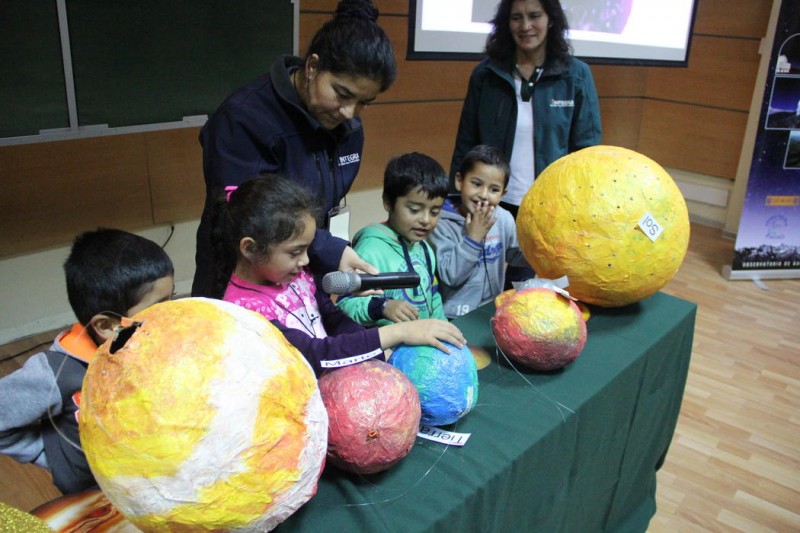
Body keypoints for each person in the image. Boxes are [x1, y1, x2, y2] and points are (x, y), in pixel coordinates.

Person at [193, 0, 397, 297]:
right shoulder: (244, 118)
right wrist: (328, 249)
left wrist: (322, 251)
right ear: (312, 67)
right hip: (243, 275)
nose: (350, 112)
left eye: (365, 102)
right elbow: (249, 217)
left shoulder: (345, 123)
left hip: (300, 264)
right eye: (342, 94)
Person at [214, 175, 465, 376]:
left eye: (307, 248)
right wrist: (398, 333)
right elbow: (317, 355)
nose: (306, 260)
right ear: (249, 248)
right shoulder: (243, 314)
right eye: (295, 252)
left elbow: (333, 318)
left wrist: (376, 353)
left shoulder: (293, 275)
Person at [0, 229, 175, 495]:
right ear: (107, 327)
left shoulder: (153, 345)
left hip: (150, 484)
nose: (173, 315)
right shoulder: (56, 373)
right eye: (160, 307)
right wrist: (55, 458)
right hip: (93, 496)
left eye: (173, 298)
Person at [450, 0, 602, 218]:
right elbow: (466, 142)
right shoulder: (486, 75)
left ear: (551, 20)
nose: (525, 26)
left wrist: (583, 205)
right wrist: (454, 202)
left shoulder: (577, 76)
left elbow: (587, 152)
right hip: (492, 203)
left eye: (535, 16)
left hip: (552, 205)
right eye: (516, 17)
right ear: (506, 22)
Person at [336, 153, 449, 326]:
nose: (426, 220)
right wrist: (382, 307)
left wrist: (444, 329)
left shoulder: (425, 248)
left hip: (422, 346)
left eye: (434, 212)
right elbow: (345, 306)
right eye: (414, 209)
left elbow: (433, 296)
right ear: (388, 202)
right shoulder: (369, 250)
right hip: (387, 350)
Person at [429, 145, 527, 318]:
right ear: (459, 181)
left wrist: (540, 251)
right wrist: (473, 238)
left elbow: (515, 256)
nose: (483, 195)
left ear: (503, 194)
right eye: (476, 184)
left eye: (494, 189)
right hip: (454, 316)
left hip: (492, 310)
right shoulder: (439, 224)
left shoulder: (503, 218)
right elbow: (451, 276)